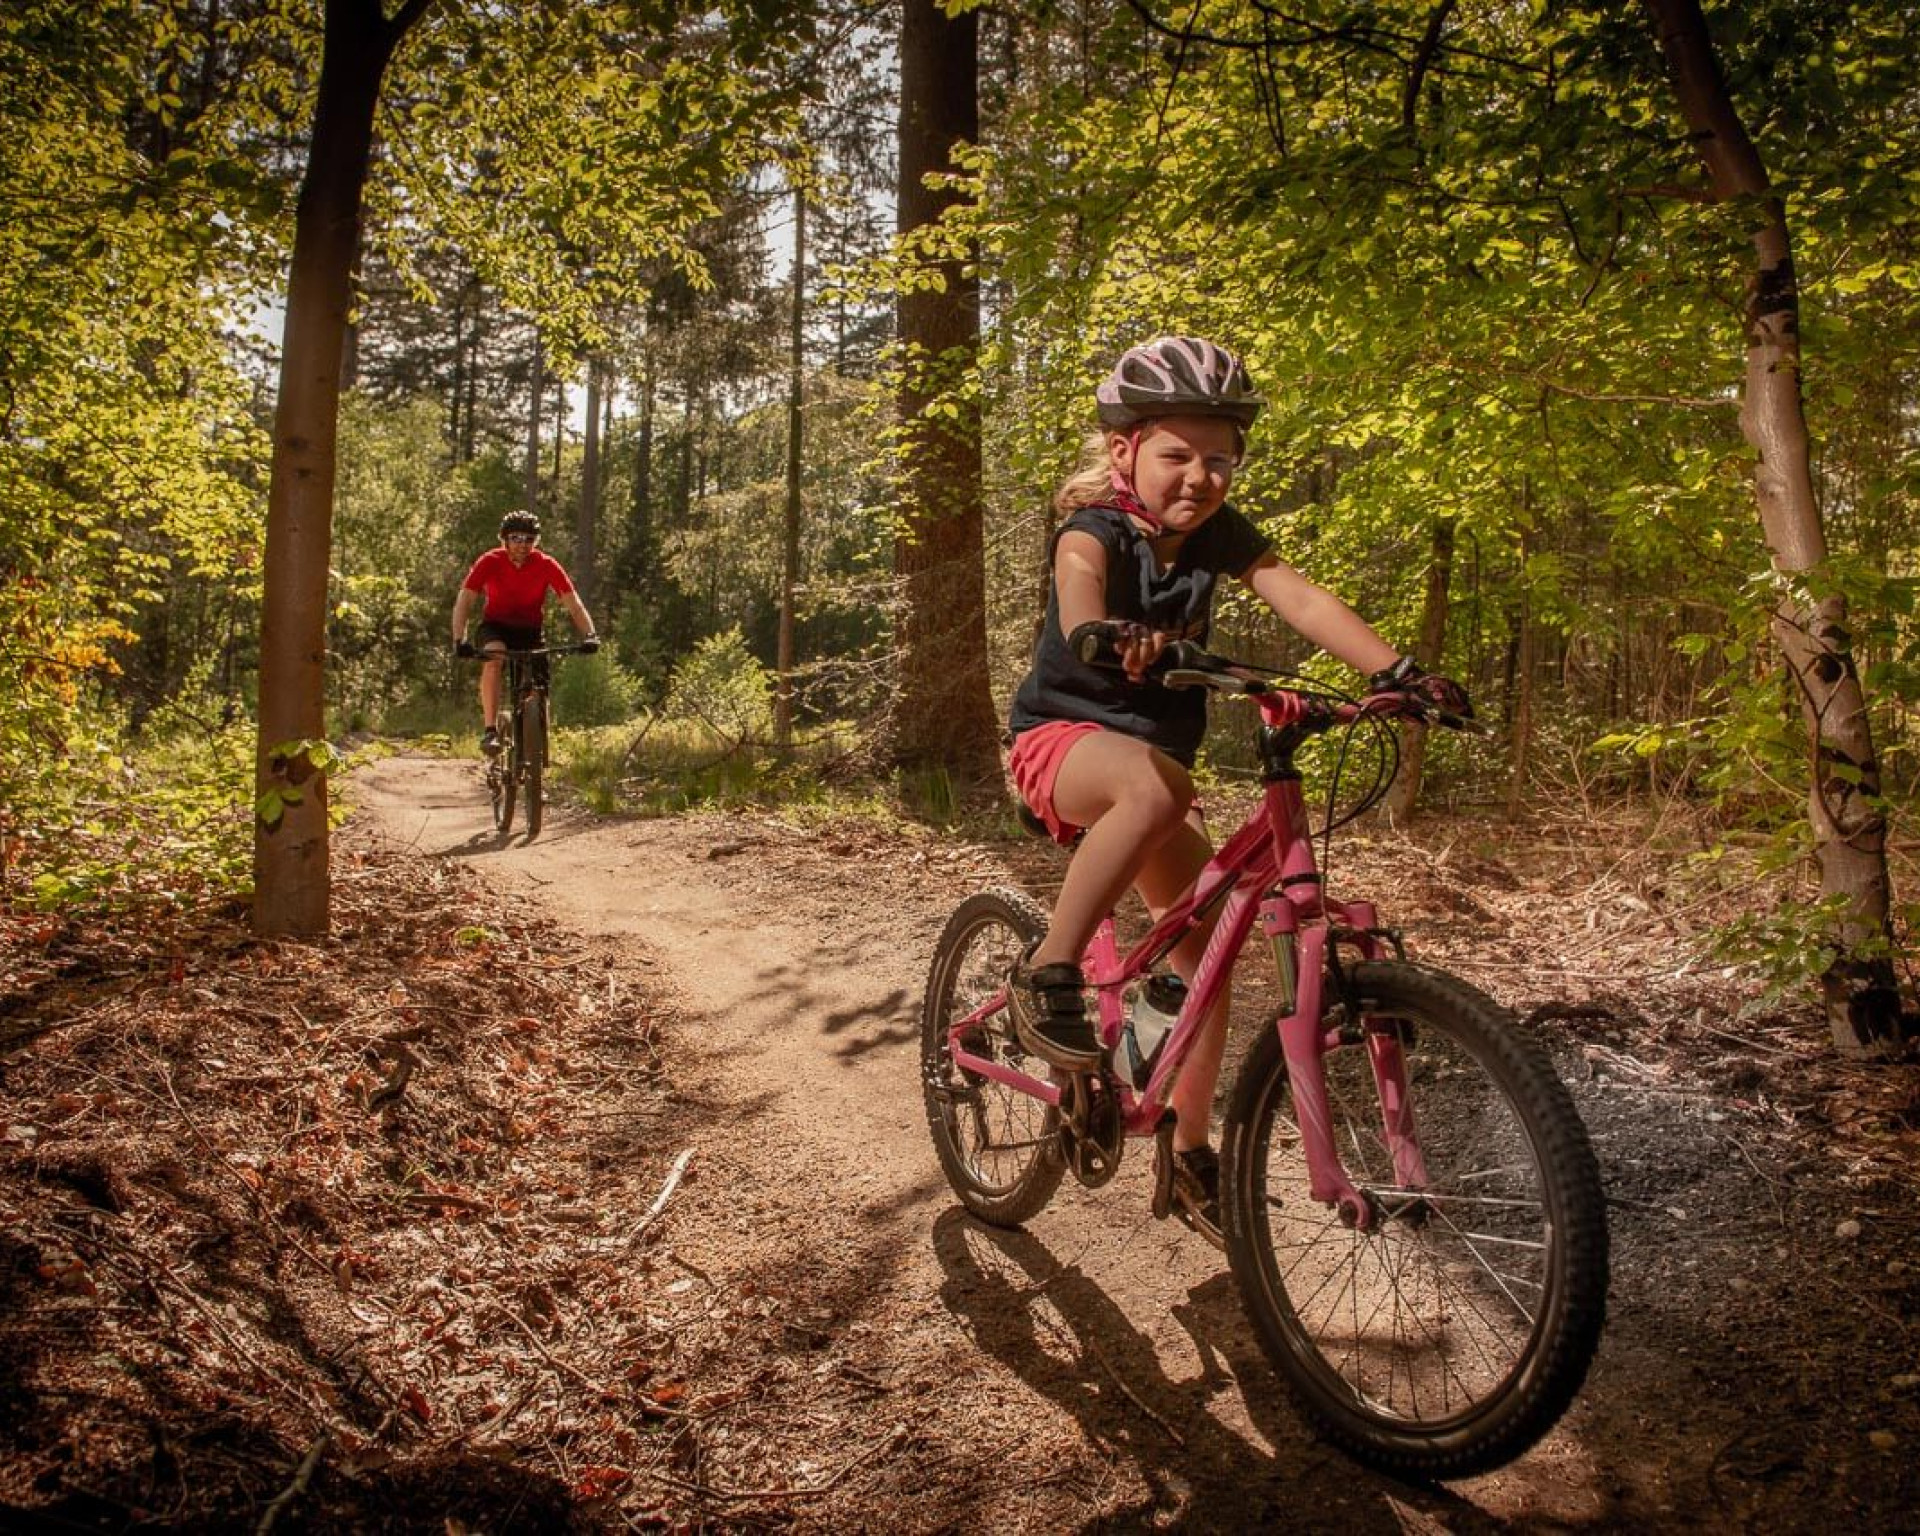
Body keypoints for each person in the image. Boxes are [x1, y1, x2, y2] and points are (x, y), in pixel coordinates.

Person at [1004, 336, 1470, 1246]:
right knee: (1153, 788)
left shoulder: (1217, 535)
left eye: (1220, 458)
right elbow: (1079, 601)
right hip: (1062, 743)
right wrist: (1107, 635)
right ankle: (1045, 971)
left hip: (1154, 774)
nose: (1201, 476)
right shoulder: (1090, 528)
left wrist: (1402, 672)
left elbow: (1299, 597)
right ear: (1126, 449)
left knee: (1205, 957)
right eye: (1178, 454)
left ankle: (1187, 1148)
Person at [452, 510, 599, 753]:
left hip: (530, 631)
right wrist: (459, 639)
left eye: (529, 539)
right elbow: (465, 601)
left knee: (538, 691)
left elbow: (573, 604)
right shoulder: (490, 561)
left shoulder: (546, 565)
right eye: (516, 538)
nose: (522, 544)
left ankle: (536, 748)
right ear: (505, 539)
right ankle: (490, 731)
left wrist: (590, 635)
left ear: (536, 542)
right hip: (495, 627)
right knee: (494, 656)